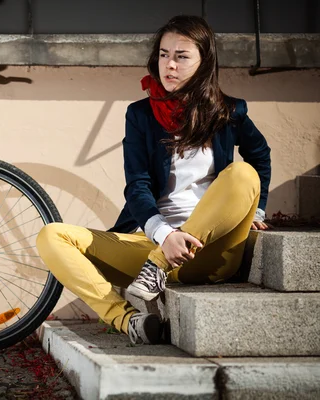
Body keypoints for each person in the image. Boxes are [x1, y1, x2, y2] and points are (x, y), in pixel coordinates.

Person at [36, 15, 271, 345]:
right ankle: (129, 320)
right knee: (51, 235)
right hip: (153, 245)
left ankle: (159, 265)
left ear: (204, 62)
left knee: (242, 173)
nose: (169, 65)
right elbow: (137, 185)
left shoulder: (229, 112)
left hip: (210, 251)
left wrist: (257, 210)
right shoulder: (141, 115)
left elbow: (259, 156)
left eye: (181, 56)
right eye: (163, 54)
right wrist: (163, 235)